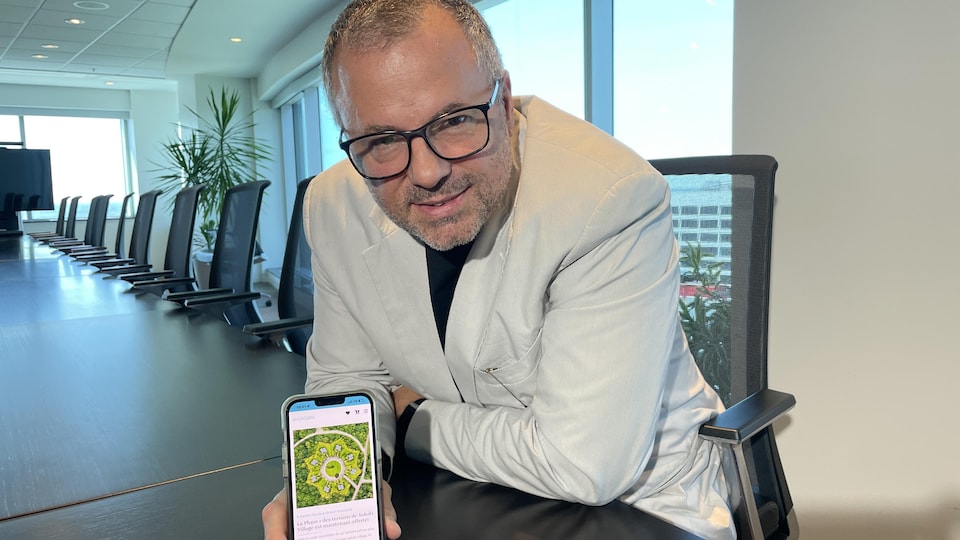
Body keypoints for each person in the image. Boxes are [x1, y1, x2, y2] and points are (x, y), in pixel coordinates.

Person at [263, 0, 734, 538]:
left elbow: (584, 464)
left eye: (455, 121)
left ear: (503, 102)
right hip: (467, 496)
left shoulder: (607, 200)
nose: (428, 171)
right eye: (382, 140)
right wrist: (334, 495)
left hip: (639, 509)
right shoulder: (332, 206)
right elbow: (346, 379)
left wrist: (412, 418)